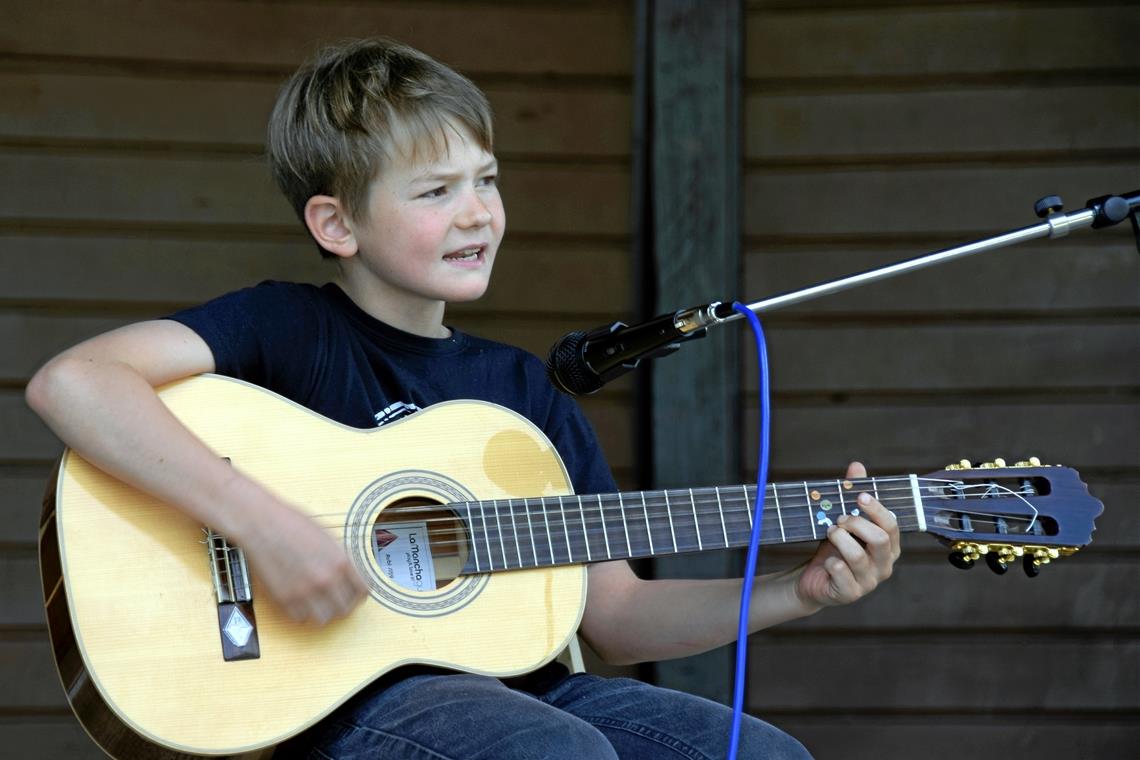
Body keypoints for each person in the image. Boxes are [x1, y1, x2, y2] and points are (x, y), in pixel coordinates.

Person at [25, 38, 900, 760]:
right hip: (332, 700)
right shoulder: (287, 329)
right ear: (337, 225)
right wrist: (262, 523)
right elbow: (75, 382)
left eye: (486, 180)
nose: (477, 213)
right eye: (436, 192)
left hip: (529, 699)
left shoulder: (524, 396)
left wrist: (800, 590)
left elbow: (621, 619)